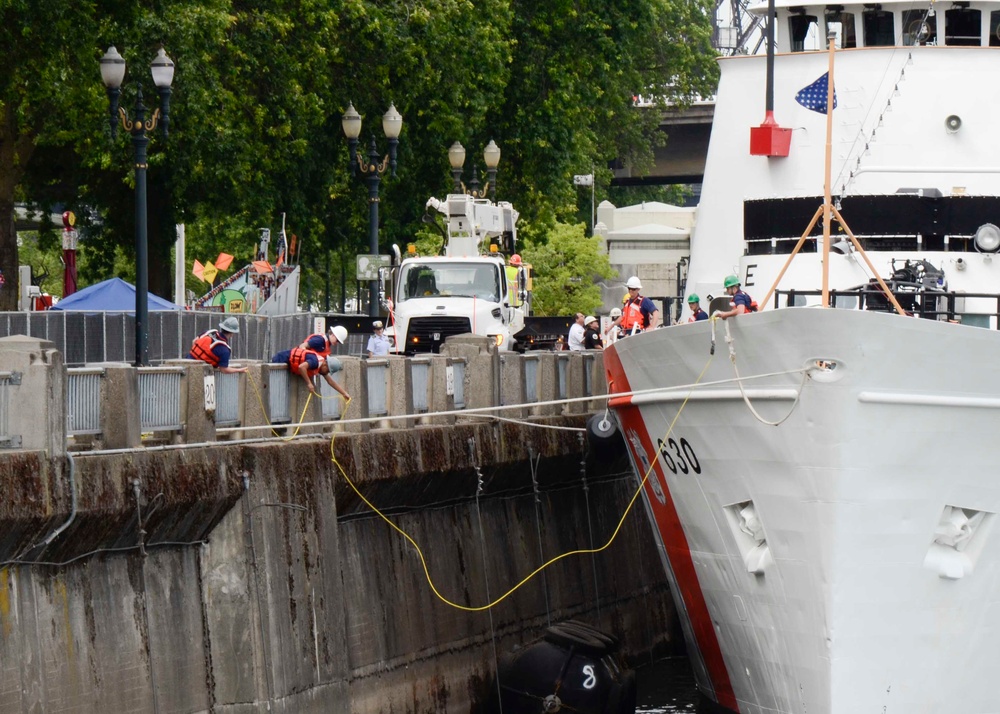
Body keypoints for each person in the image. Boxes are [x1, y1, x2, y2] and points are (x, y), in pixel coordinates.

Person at [271, 346, 351, 400]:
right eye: (328, 371)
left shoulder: (321, 365)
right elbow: (301, 367)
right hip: (280, 359)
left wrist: (344, 393)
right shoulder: (315, 362)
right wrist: (309, 383)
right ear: (325, 365)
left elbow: (330, 381)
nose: (327, 373)